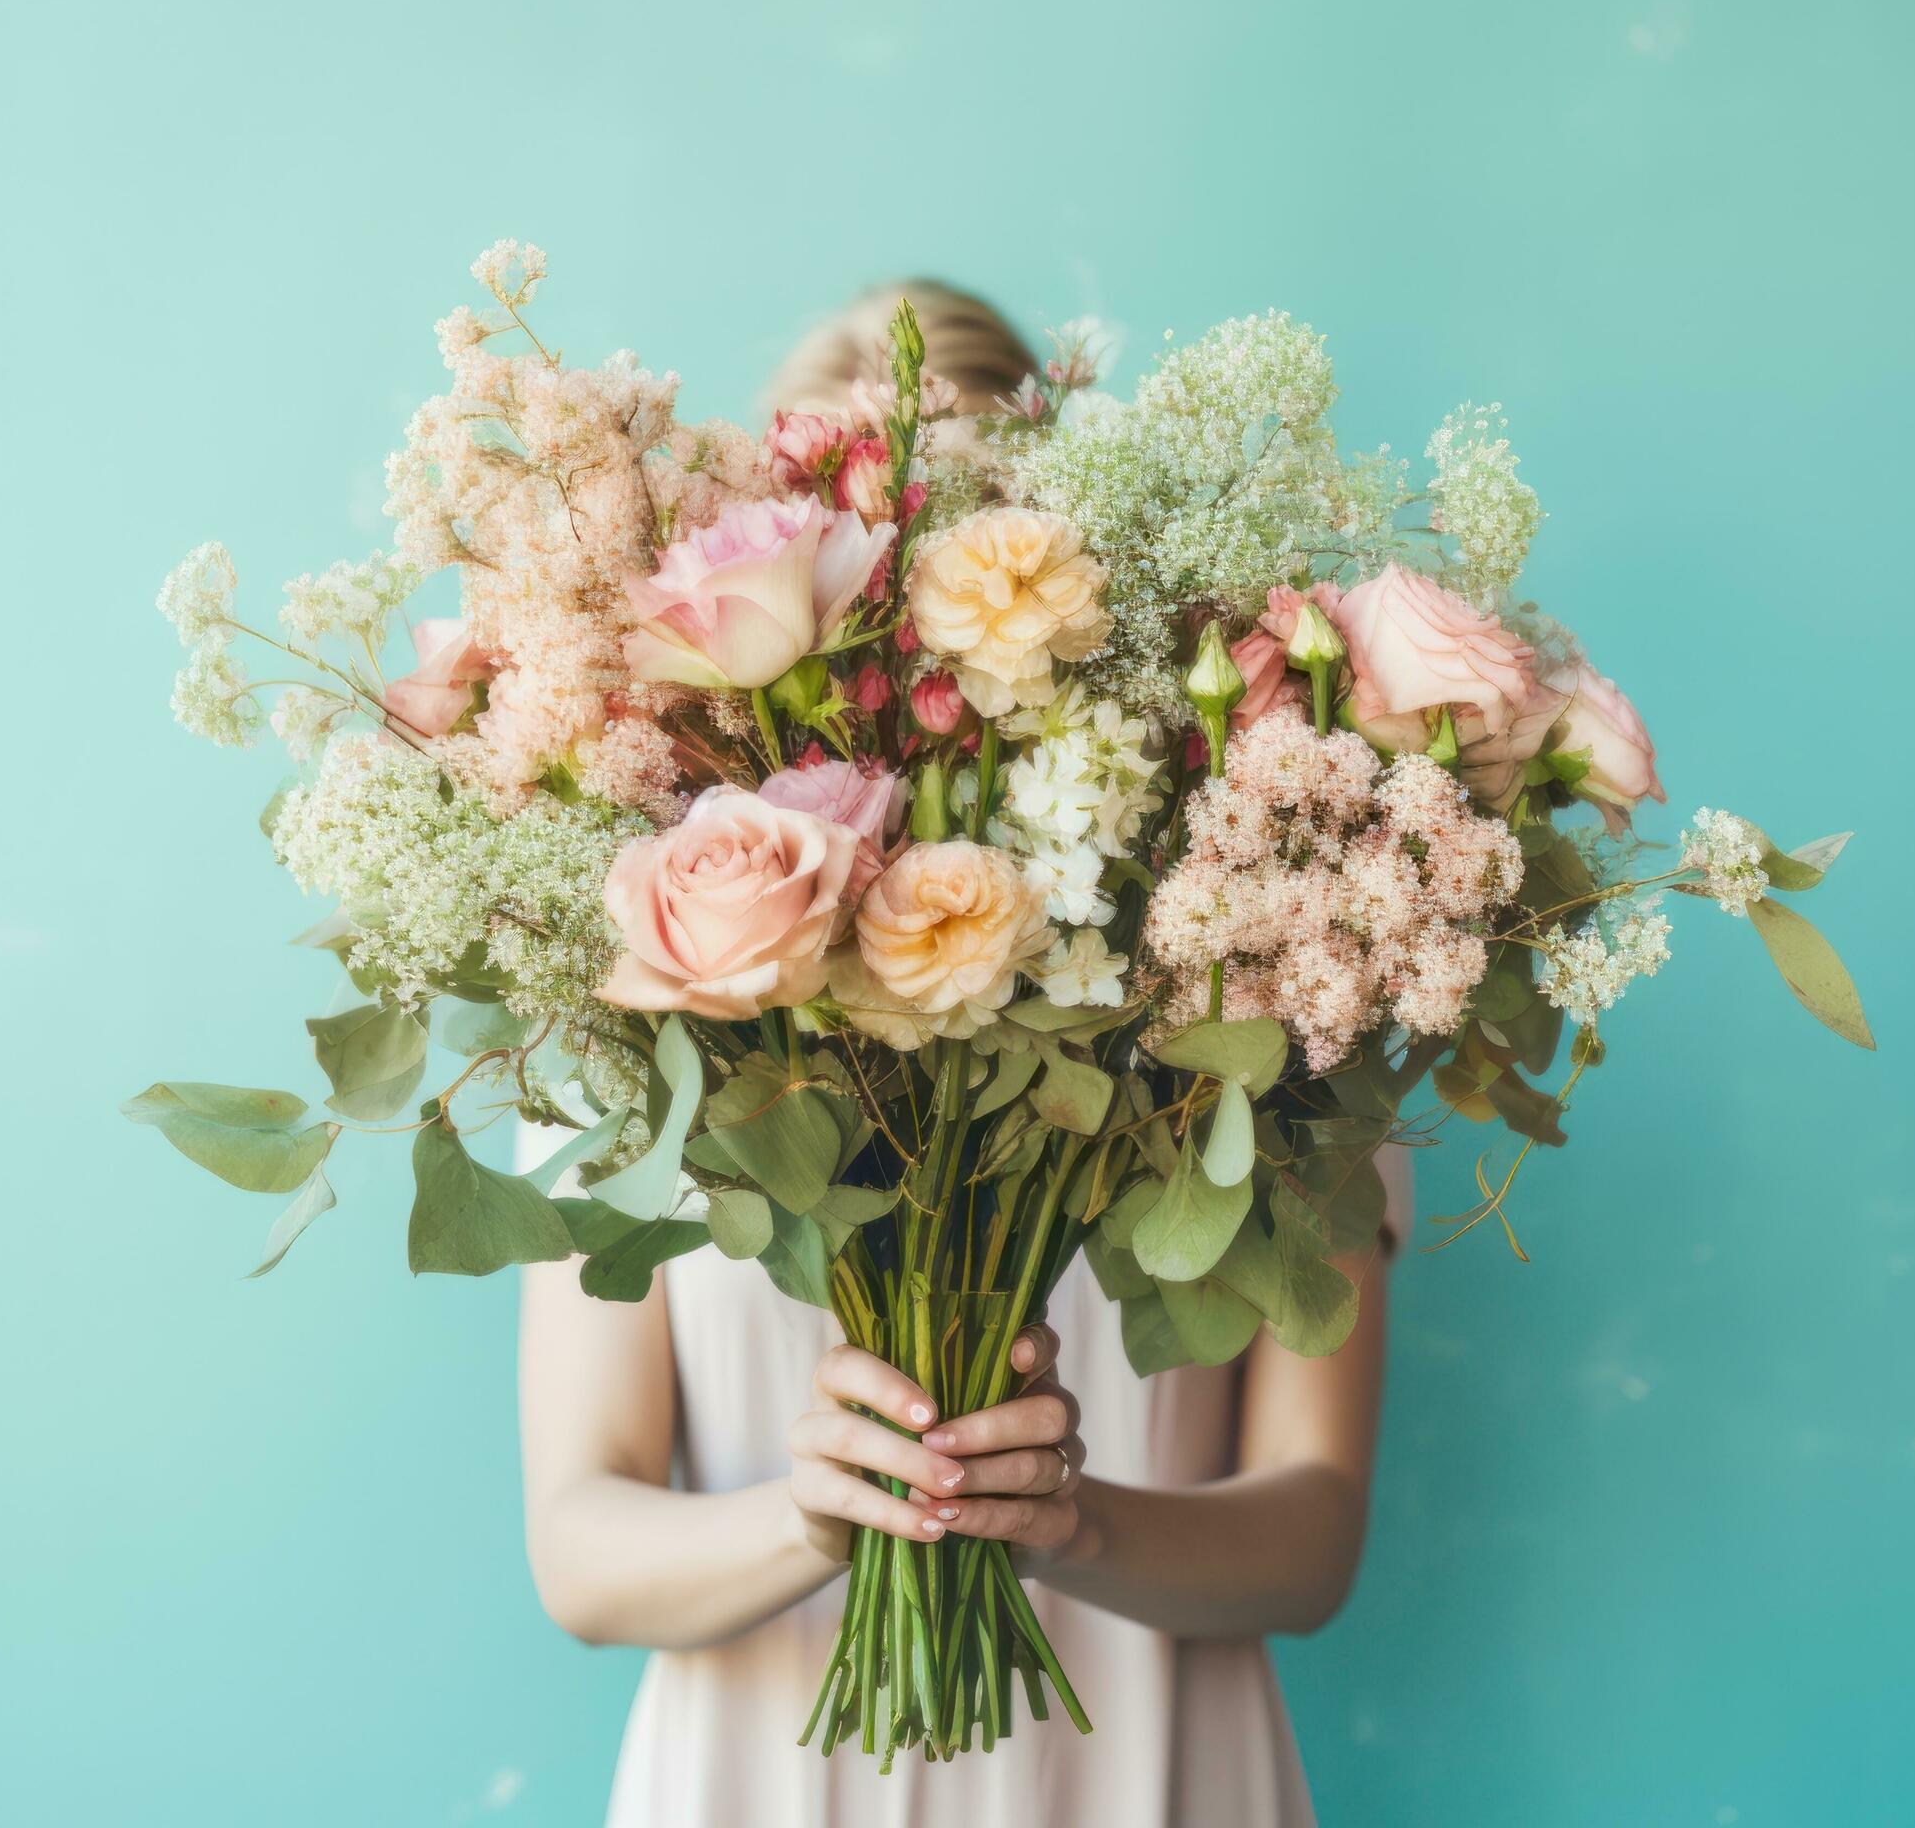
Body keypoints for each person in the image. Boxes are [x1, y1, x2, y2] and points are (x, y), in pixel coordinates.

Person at [518, 282, 1409, 1827]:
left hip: (1151, 1777)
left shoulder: (1271, 986)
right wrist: (810, 1519)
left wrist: (1072, 1522)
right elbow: (579, 1550)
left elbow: (1312, 1541)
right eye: (855, 550)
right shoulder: (647, 979)